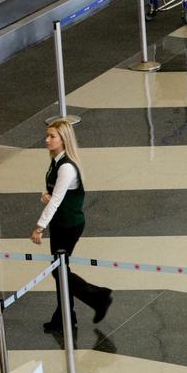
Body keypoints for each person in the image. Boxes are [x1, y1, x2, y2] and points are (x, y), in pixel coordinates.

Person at [30, 118, 112, 333]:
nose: (47, 140)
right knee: (59, 269)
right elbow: (57, 196)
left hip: (69, 225)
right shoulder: (56, 161)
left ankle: (97, 296)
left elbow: (56, 200)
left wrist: (39, 227)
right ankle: (67, 316)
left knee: (59, 271)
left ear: (64, 140)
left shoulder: (66, 167)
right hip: (61, 222)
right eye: (47, 135)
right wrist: (48, 198)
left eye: (52, 136)